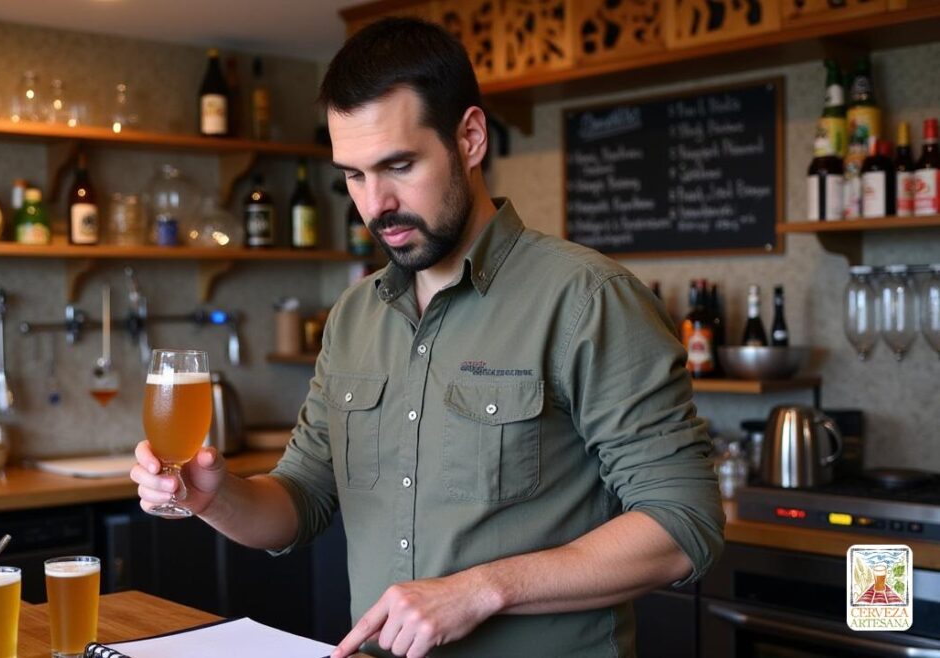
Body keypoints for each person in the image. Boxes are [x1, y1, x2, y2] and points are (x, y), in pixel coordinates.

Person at [132, 17, 725, 658]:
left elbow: (681, 523)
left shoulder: (587, 299)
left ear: (469, 138)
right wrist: (215, 499)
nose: (375, 203)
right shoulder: (353, 315)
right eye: (353, 176)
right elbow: (301, 500)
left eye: (398, 165)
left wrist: (479, 590)